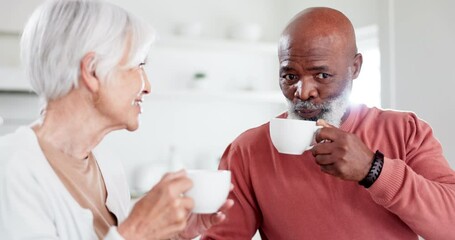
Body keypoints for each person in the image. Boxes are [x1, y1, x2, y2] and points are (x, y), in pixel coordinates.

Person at [202, 7, 455, 240]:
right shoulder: (248, 150)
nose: (302, 92)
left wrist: (373, 170)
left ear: (355, 68)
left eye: (322, 75)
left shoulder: (405, 131)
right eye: (290, 76)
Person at [0, 0, 233, 239]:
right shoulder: (11, 170)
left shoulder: (108, 165)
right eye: (138, 65)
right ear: (92, 71)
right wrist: (137, 231)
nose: (148, 87)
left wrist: (171, 234)